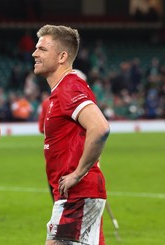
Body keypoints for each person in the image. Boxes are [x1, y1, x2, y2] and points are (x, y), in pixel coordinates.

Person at [32, 25, 110, 245]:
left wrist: (78, 173)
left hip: (78, 194)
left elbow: (100, 127)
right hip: (75, 194)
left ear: (62, 56)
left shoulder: (69, 88)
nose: (34, 53)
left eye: (42, 49)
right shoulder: (62, 90)